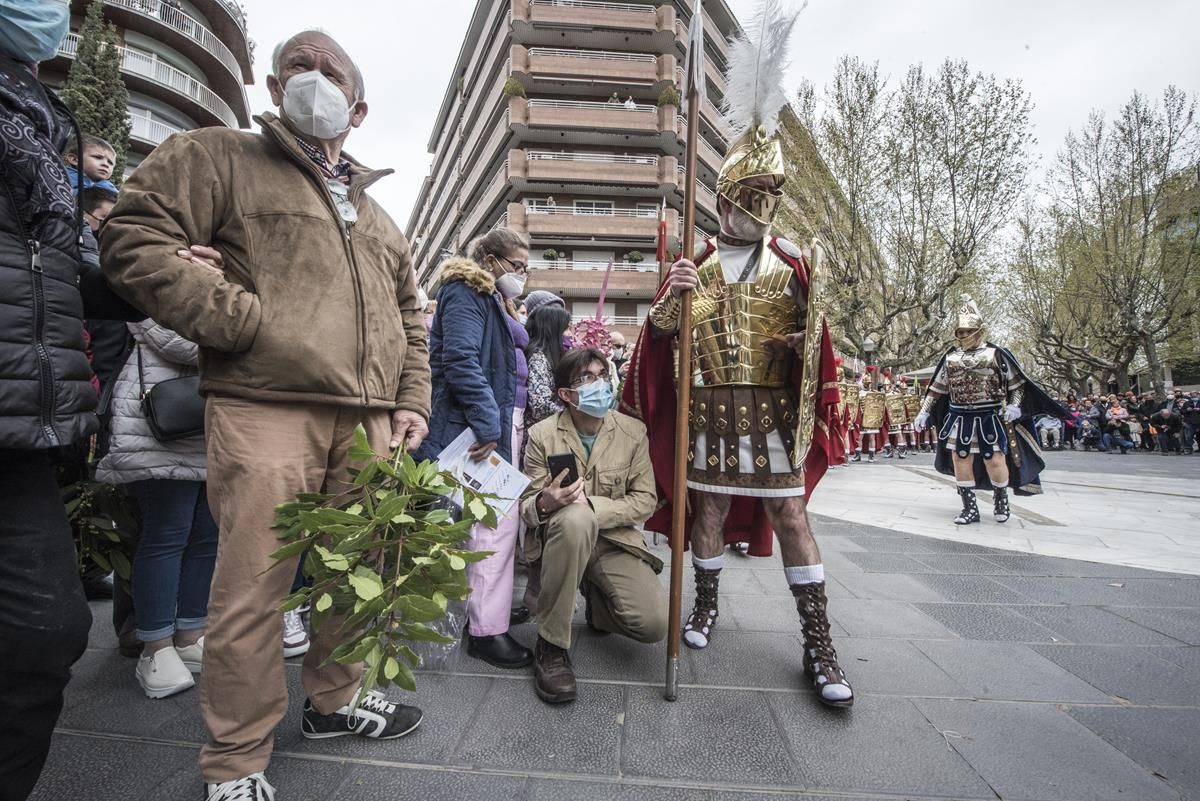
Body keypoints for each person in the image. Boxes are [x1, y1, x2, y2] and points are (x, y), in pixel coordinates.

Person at [101, 30, 431, 800]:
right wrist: (238, 320)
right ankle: (238, 758)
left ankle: (335, 700)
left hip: (370, 421)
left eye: (331, 70)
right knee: (254, 585)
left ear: (360, 105)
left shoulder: (380, 218)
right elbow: (130, 235)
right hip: (265, 406)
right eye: (299, 67)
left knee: (361, 574)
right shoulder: (220, 156)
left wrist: (410, 400)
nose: (314, 78)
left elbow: (410, 317)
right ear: (275, 88)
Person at [622, 110, 852, 707]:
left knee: (791, 517)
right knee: (709, 511)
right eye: (747, 196)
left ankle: (818, 641)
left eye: (765, 197)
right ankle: (705, 602)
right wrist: (672, 296)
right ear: (725, 200)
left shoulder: (793, 264)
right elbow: (664, 335)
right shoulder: (696, 266)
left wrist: (806, 347)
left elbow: (818, 337)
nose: (755, 207)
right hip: (709, 410)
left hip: (773, 408)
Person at [1, 7, 145, 797]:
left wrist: (159, 278)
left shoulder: (37, 119)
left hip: (25, 424)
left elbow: (57, 277)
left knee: (46, 632)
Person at [417, 227, 534, 670]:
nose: (521, 274)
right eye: (516, 265)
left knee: (483, 525)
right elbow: (461, 359)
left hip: (477, 425)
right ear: (490, 259)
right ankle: (487, 631)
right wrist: (489, 423)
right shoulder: (467, 291)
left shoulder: (481, 295)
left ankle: (485, 614)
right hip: (471, 431)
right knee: (493, 527)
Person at [521, 349, 667, 703]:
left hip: (613, 541)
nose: (600, 384)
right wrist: (546, 502)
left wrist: (592, 507)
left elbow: (645, 499)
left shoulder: (633, 432)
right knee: (574, 519)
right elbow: (526, 504)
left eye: (603, 374)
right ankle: (551, 645)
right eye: (587, 378)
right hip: (562, 538)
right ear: (566, 395)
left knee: (653, 625)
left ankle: (598, 606)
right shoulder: (542, 434)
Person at [95, 320, 217, 699]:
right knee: (167, 532)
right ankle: (156, 647)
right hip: (155, 425)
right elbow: (176, 340)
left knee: (206, 534)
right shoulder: (156, 270)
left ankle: (190, 635)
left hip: (205, 424)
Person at [914, 295, 1063, 524]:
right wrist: (924, 411)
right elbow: (937, 389)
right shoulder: (951, 358)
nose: (963, 335)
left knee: (994, 459)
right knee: (960, 458)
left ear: (979, 330)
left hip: (989, 415)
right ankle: (969, 508)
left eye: (967, 330)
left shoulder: (996, 354)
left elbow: (1017, 386)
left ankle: (1001, 501)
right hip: (959, 415)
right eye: (960, 331)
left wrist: (1014, 407)